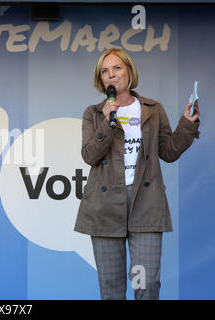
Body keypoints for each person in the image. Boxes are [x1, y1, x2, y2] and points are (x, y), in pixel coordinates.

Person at [74, 48, 200, 300]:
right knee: (111, 290)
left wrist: (187, 124)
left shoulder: (152, 109)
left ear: (129, 71)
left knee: (147, 284)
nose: (111, 75)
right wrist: (107, 123)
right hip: (105, 208)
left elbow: (169, 151)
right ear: (101, 79)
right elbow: (89, 156)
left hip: (145, 205)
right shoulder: (93, 113)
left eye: (117, 68)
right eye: (105, 71)